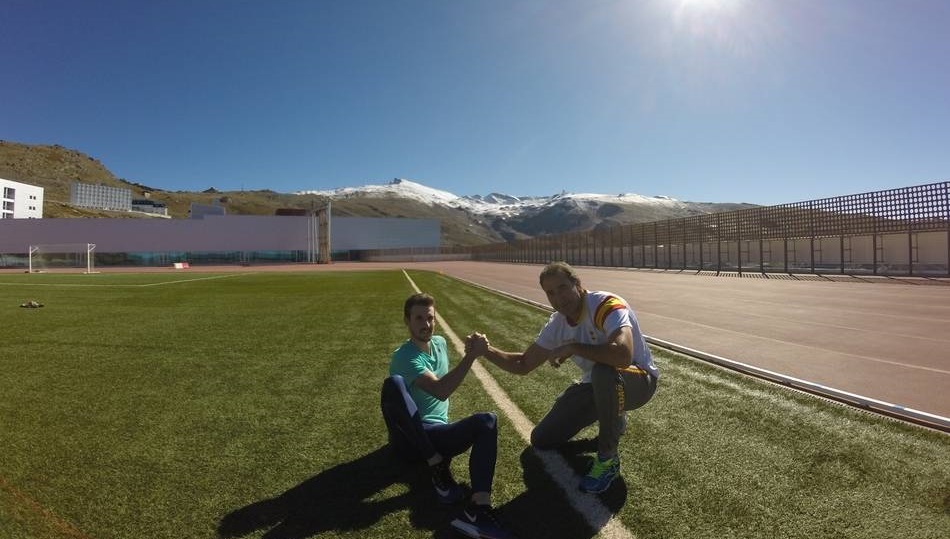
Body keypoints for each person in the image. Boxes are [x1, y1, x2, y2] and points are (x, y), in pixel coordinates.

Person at [476, 262, 658, 494]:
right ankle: (614, 414)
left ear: (578, 285)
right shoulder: (558, 324)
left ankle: (607, 459)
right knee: (542, 439)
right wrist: (486, 351)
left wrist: (574, 347)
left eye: (562, 288)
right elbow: (523, 364)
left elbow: (622, 355)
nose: (558, 298)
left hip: (639, 381)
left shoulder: (605, 305)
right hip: (598, 386)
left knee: (603, 371)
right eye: (550, 293)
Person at [386, 292, 514, 539]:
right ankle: (436, 466)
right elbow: (441, 390)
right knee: (394, 384)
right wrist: (471, 356)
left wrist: (474, 347)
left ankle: (478, 509)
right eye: (419, 318)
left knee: (487, 421)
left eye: (430, 318)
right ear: (407, 321)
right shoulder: (404, 356)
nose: (426, 324)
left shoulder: (440, 343)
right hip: (412, 439)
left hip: (438, 433)